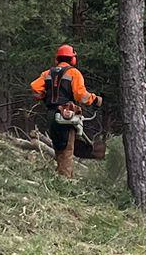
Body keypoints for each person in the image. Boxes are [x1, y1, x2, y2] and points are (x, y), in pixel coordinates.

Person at [31, 44, 100, 177]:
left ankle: (60, 176)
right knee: (67, 150)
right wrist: (95, 99)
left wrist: (44, 95)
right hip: (66, 116)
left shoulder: (47, 73)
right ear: (73, 59)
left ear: (57, 58)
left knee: (58, 147)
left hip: (51, 115)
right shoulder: (74, 73)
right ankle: (65, 181)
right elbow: (82, 95)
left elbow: (35, 87)